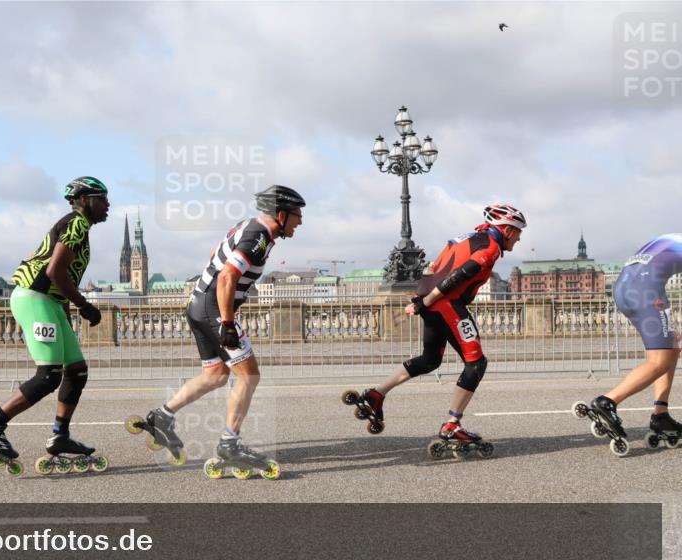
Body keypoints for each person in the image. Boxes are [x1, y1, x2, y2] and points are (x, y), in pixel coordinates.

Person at [132, 185, 306, 479]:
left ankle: (163, 416)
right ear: (281, 214)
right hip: (213, 308)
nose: (300, 222)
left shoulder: (246, 227)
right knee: (249, 375)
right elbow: (227, 275)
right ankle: (230, 443)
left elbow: (216, 253)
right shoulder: (259, 235)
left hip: (198, 303)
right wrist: (227, 322)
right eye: (297, 215)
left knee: (215, 375)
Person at [0, 177, 110, 475]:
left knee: (76, 370)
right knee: (49, 376)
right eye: (103, 199)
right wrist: (84, 305)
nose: (108, 205)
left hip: (48, 302)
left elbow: (63, 277)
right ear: (86, 200)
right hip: (35, 298)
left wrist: (66, 314)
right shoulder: (76, 224)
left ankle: (60, 436)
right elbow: (55, 272)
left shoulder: (79, 227)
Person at [349, 204, 526, 449]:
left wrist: (421, 298)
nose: (518, 239)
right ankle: (453, 424)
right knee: (476, 363)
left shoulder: (465, 237)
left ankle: (377, 393)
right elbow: (461, 274)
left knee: (430, 360)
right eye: (517, 232)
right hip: (447, 304)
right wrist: (428, 300)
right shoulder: (491, 247)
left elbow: (433, 268)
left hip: (432, 301)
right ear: (506, 229)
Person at [586, 233, 682, 446]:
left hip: (625, 288)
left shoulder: (672, 238)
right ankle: (608, 401)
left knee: (671, 347)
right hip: (646, 292)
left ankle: (661, 415)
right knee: (659, 362)